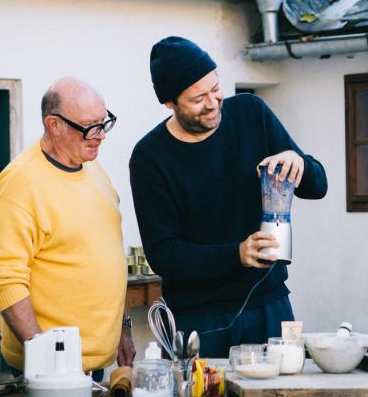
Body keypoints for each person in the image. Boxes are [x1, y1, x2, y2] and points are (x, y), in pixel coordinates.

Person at [129, 36, 328, 358]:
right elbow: (164, 254)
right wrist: (236, 254)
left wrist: (300, 162)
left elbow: (318, 187)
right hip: (197, 320)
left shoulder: (251, 112)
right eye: (197, 98)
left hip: (269, 305)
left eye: (215, 89)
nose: (212, 103)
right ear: (170, 103)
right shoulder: (150, 157)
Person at [0, 77, 135, 378]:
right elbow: (6, 279)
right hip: (49, 371)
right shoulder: (19, 183)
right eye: (91, 126)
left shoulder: (94, 169)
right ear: (54, 125)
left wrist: (122, 327)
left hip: (92, 367)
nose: (101, 135)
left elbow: (106, 257)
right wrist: (47, 360)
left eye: (104, 122)